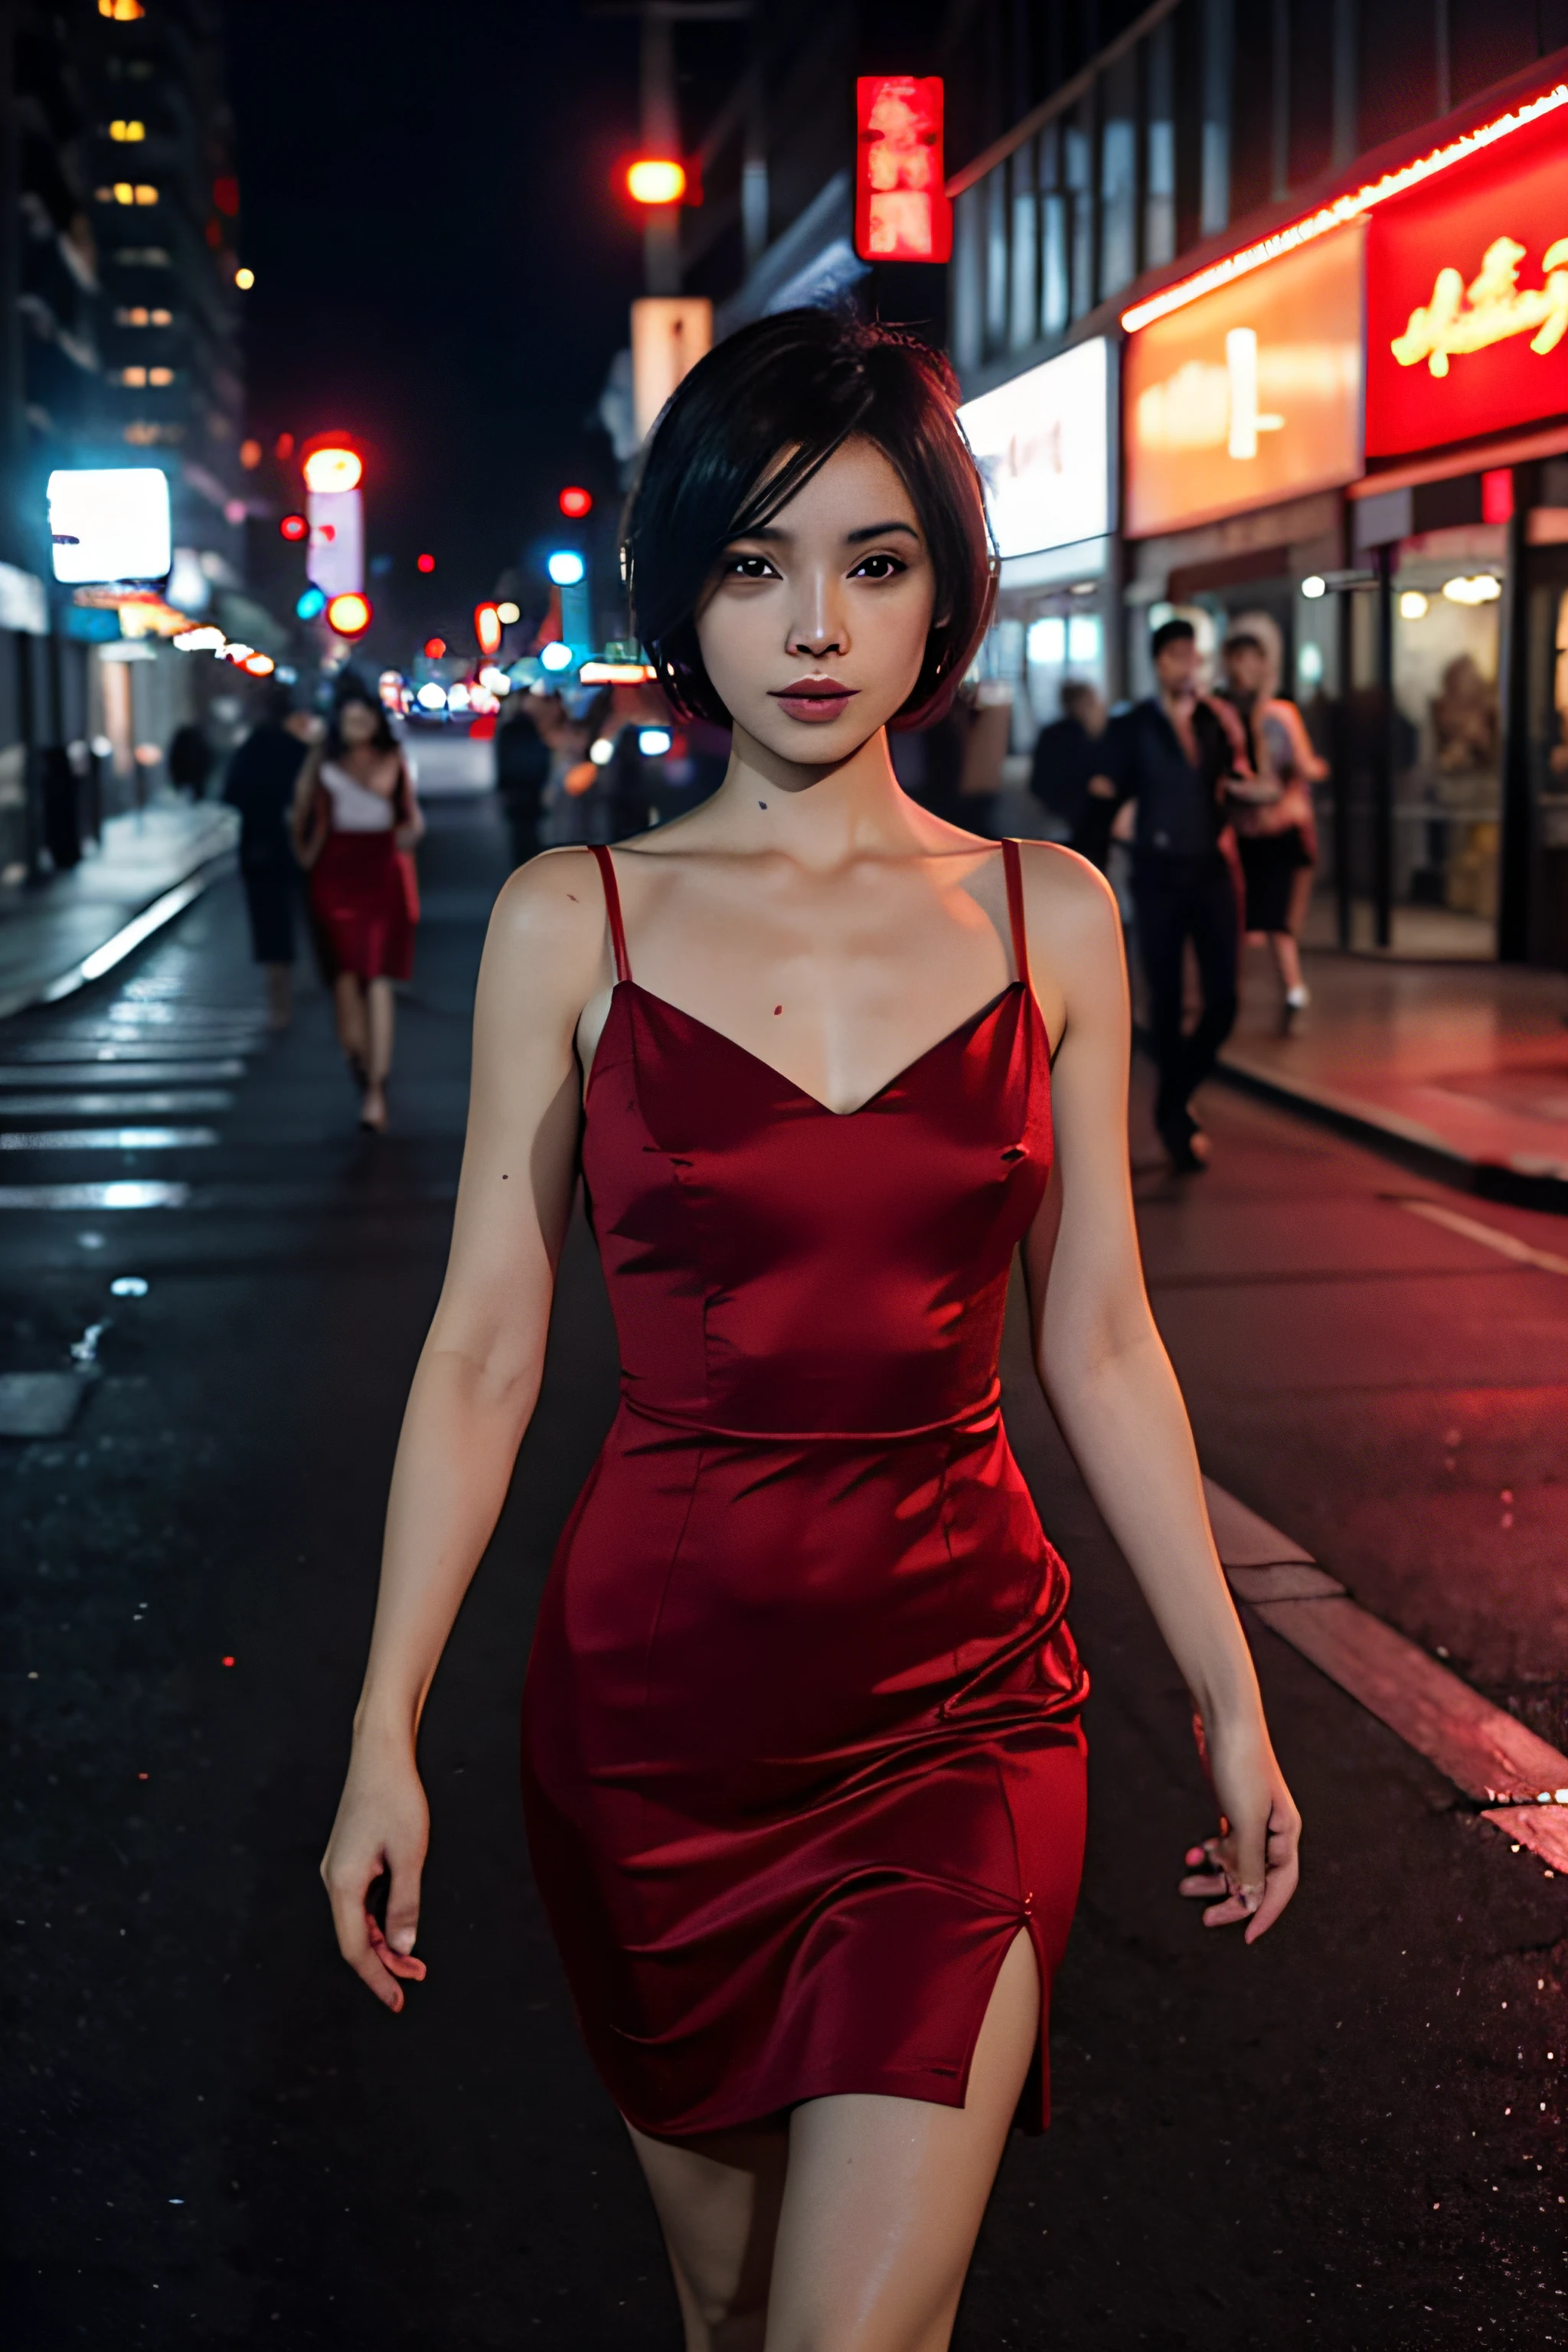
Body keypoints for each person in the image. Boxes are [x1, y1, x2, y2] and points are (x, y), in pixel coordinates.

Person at [320, 312, 1299, 2352]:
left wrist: (1223, 1682)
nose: (813, 624)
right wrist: (380, 1729)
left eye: (872, 561)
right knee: (734, 2307)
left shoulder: (1054, 917)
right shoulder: (571, 921)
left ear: (943, 589)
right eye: (756, 565)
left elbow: (1101, 1342)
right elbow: (487, 1352)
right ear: (687, 593)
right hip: (655, 1724)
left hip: (965, 1700)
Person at [1102, 617, 1249, 1172]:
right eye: (1179, 656)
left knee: (1223, 1002)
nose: (1190, 667)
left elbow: (1238, 776)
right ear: (1160, 662)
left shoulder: (1217, 720)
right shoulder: (1133, 725)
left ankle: (1171, 1102)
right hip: (1156, 873)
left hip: (1211, 869)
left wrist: (1251, 791)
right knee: (1164, 1003)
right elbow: (1103, 787)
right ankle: (1176, 1115)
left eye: (1196, 657)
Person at [291, 691, 423, 1132]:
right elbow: (300, 810)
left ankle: (376, 1089)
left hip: (381, 873)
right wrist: (305, 856)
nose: (358, 729)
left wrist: (399, 841)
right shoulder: (321, 761)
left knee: (379, 976)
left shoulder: (396, 760)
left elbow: (411, 819)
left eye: (365, 721)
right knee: (345, 978)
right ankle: (359, 1063)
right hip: (334, 875)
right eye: (350, 721)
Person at [1216, 629, 1328, 1033]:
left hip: (1280, 830)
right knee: (1248, 918)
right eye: (1236, 660)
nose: (1241, 669)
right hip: (1249, 832)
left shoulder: (1276, 715)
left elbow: (1294, 770)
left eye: (1250, 659)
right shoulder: (1224, 713)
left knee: (1277, 920)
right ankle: (1233, 996)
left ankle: (1292, 989)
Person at [223, 683, 313, 1030]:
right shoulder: (298, 751)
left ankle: (280, 996)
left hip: (259, 847)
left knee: (270, 925)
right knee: (306, 914)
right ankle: (308, 977)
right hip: (297, 845)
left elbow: (231, 793)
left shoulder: (250, 749)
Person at [1029, 678, 1118, 868]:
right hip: (1074, 821)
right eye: (1093, 702)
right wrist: (1087, 785)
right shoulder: (1070, 736)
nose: (1100, 706)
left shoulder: (1053, 734)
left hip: (1069, 818)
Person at [494, 695, 551, 867]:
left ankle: (522, 870)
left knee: (521, 837)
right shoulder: (535, 728)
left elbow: (502, 760)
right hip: (531, 789)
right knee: (531, 835)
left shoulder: (511, 729)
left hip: (517, 791)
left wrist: (502, 787)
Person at [166, 717, 213, 800]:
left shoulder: (184, 738)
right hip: (193, 783)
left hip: (183, 782)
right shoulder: (199, 740)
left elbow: (173, 759)